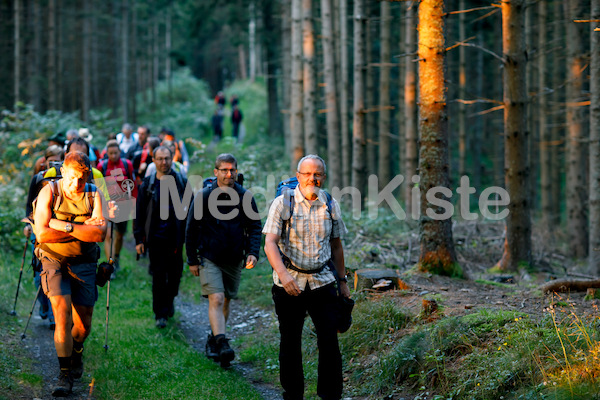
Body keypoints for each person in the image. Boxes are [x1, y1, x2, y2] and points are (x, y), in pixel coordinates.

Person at [263, 154, 350, 400]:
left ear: (324, 176)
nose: (313, 178)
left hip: (323, 281)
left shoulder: (331, 204)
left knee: (329, 341)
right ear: (298, 176)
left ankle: (330, 395)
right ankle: (293, 394)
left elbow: (336, 246)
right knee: (290, 341)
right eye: (308, 173)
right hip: (288, 282)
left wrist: (342, 282)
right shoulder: (282, 203)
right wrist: (283, 275)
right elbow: (269, 243)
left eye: (318, 174)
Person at [33, 151, 107, 397]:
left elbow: (98, 235)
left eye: (83, 178)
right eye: (73, 177)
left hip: (84, 261)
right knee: (62, 317)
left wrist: (60, 224)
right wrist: (81, 228)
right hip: (52, 259)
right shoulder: (49, 192)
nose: (77, 184)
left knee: (83, 325)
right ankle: (64, 374)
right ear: (63, 171)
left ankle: (77, 349)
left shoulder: (95, 193)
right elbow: (41, 235)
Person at [186, 153, 262, 367]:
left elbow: (255, 227)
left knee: (226, 299)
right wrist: (192, 259)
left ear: (237, 171)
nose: (229, 174)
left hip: (234, 258)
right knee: (217, 298)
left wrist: (253, 252)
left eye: (232, 170)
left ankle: (214, 338)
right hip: (209, 257)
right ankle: (222, 343)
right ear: (216, 172)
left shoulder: (244, 196)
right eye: (225, 170)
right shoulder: (204, 196)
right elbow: (191, 229)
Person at [134, 146, 188, 328]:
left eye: (167, 158)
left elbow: (192, 211)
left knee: (175, 276)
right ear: (154, 160)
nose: (164, 162)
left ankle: (170, 299)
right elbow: (139, 214)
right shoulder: (147, 185)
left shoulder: (181, 182)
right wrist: (139, 239)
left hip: (175, 239)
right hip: (155, 239)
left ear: (172, 159)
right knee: (158, 277)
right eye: (160, 159)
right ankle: (160, 314)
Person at [24, 145, 65, 330]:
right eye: (51, 160)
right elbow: (29, 205)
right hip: (38, 229)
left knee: (54, 272)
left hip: (56, 230)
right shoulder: (38, 178)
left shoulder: (65, 179)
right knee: (38, 273)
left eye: (58, 159)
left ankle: (52, 316)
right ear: (45, 160)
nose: (54, 164)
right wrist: (28, 224)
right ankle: (44, 305)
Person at [97, 140, 137, 269]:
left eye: (115, 153)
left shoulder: (127, 164)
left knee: (119, 235)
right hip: (107, 205)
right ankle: (111, 264)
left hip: (123, 204)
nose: (113, 156)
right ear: (107, 153)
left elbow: (133, 185)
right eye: (110, 153)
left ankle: (117, 256)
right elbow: (98, 187)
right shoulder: (101, 166)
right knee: (109, 235)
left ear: (120, 152)